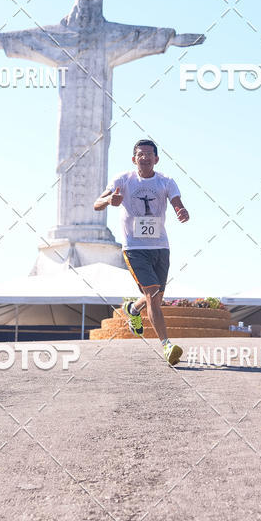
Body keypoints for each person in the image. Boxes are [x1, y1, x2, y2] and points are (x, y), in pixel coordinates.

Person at [93, 139, 189, 365]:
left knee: (155, 297)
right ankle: (167, 346)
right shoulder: (123, 180)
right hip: (135, 247)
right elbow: (97, 203)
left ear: (156, 159)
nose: (144, 157)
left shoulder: (166, 181)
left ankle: (132, 309)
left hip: (160, 247)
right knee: (154, 296)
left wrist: (181, 211)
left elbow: (177, 202)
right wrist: (110, 199)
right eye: (140, 154)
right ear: (134, 159)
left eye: (149, 154)